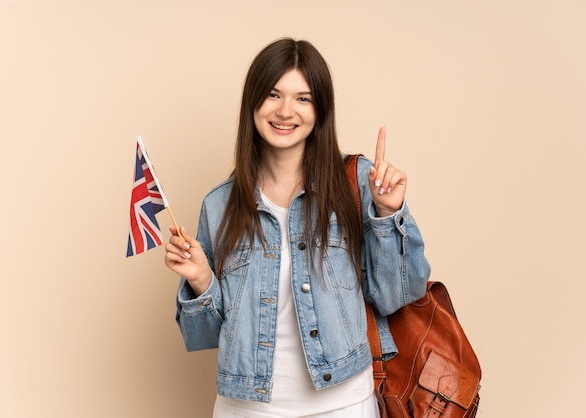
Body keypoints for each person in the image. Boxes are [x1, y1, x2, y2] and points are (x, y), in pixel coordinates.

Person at [164, 37, 431, 418]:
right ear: (252, 103)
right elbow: (204, 337)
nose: (286, 111)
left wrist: (389, 215)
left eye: (302, 98)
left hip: (342, 405)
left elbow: (396, 296)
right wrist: (202, 281)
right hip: (246, 408)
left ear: (320, 110)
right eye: (273, 94)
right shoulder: (219, 205)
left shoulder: (357, 183)